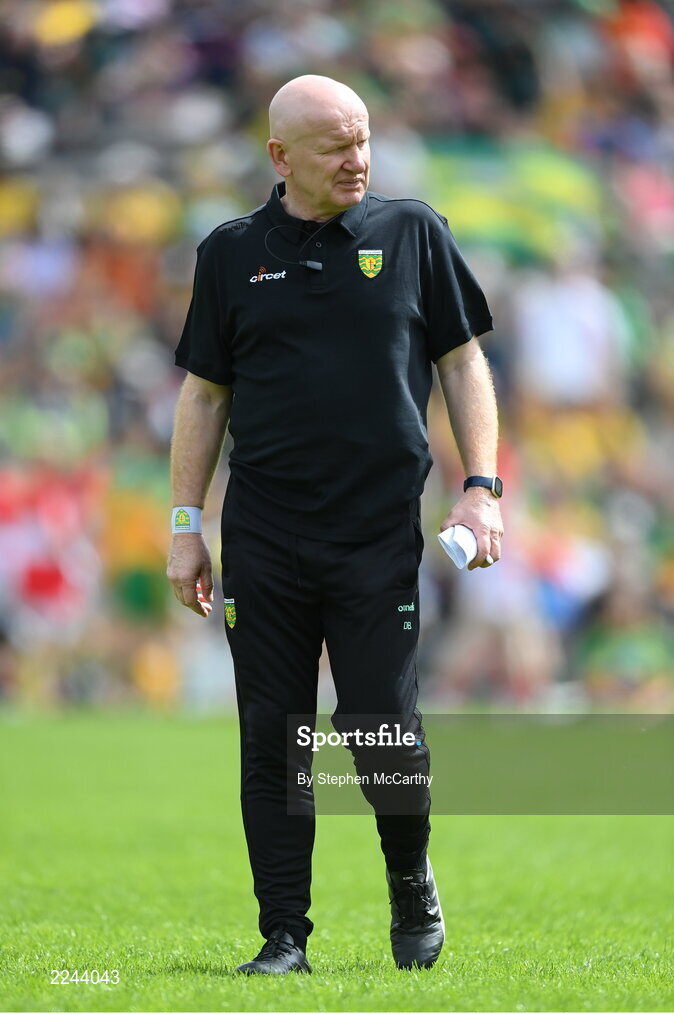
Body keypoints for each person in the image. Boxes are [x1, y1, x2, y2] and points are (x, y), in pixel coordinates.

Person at [167, 74, 503, 974]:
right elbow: (204, 395)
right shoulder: (230, 253)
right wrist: (183, 524)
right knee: (274, 736)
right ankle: (284, 936)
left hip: (376, 531)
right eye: (335, 145)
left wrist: (483, 486)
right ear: (281, 158)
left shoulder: (412, 232)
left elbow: (463, 362)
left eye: (363, 139)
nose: (358, 159)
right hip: (267, 536)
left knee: (380, 728)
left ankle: (408, 879)